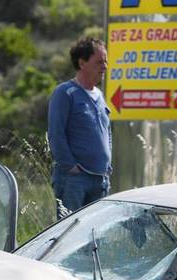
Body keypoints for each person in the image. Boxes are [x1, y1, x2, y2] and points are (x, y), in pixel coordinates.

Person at [48, 38, 111, 219]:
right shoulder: (65, 93)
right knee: (68, 232)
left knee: (94, 233)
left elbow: (107, 132)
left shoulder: (99, 95)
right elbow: (55, 134)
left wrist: (107, 166)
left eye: (106, 61)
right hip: (74, 180)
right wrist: (71, 167)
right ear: (82, 62)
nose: (105, 66)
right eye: (99, 62)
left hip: (100, 180)